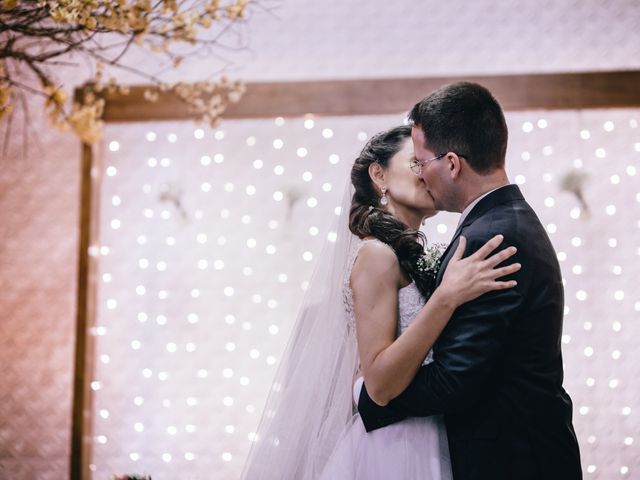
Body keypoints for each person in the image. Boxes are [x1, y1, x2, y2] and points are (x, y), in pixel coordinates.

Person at [242, 125, 519, 480]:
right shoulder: (376, 254)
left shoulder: (399, 254)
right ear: (379, 174)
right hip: (395, 447)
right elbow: (380, 384)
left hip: (425, 431)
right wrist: (446, 298)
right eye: (415, 162)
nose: (426, 172)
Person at [356, 83, 583, 480]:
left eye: (420, 162)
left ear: (453, 164)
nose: (421, 174)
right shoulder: (502, 221)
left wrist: (371, 398)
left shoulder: (491, 236)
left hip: (513, 459)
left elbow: (454, 379)